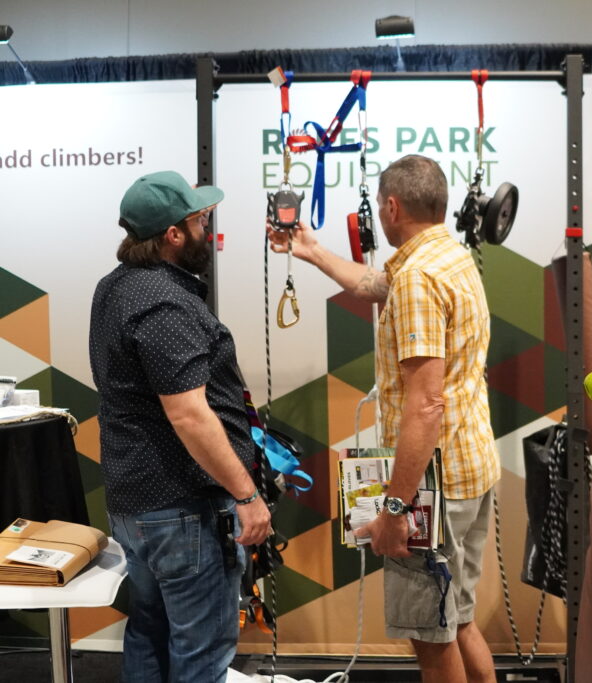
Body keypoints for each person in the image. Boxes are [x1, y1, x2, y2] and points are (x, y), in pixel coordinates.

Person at [267, 155, 500, 683]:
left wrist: (396, 509)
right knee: (459, 621)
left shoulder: (418, 277)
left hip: (433, 489)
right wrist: (311, 251)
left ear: (390, 206)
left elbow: (425, 404)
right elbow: (375, 283)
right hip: (470, 471)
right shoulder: (447, 256)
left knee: (432, 639)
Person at [90, 170, 272, 683]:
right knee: (201, 649)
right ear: (173, 235)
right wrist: (246, 495)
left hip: (137, 506)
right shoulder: (164, 301)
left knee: (149, 629)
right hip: (180, 509)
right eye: (199, 219)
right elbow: (188, 414)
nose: (208, 226)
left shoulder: (115, 287)